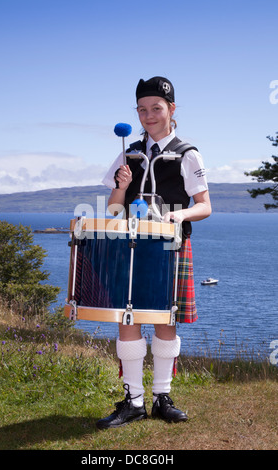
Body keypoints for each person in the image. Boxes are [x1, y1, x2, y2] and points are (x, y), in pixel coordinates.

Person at [97, 76, 211, 429]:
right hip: (130, 245)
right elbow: (113, 212)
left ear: (171, 109)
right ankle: (132, 402)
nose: (149, 115)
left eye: (156, 109)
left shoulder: (188, 153)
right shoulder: (128, 152)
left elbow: (204, 206)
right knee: (127, 319)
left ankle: (162, 397)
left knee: (166, 321)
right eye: (142, 109)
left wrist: (179, 214)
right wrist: (123, 186)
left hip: (170, 244)